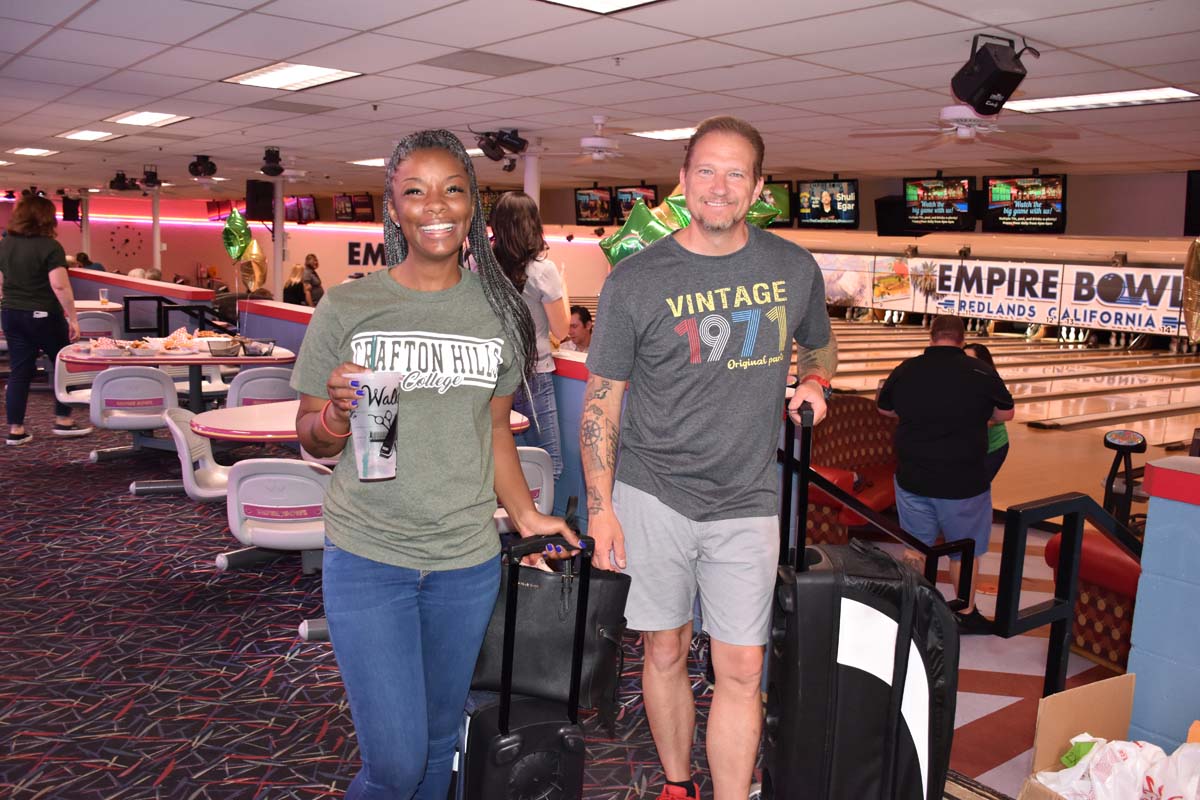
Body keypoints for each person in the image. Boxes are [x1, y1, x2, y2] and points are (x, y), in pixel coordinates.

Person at [290, 129, 577, 800]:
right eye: (414, 191)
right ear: (393, 209)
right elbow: (312, 438)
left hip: (464, 562)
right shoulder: (349, 306)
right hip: (371, 554)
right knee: (393, 763)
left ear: (473, 206)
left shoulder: (500, 314)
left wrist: (530, 514)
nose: (435, 206)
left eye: (452, 189)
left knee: (439, 742)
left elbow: (495, 428)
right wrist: (335, 416)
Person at [582, 115, 836, 800]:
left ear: (757, 187)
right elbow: (602, 403)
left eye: (735, 174)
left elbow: (817, 344)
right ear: (683, 181)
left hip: (747, 496)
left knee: (744, 668)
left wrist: (815, 380)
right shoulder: (635, 281)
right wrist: (602, 511)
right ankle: (676, 784)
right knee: (662, 649)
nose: (719, 186)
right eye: (705, 171)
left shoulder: (791, 267)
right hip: (651, 491)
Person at [877, 315, 1014, 634]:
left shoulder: (907, 368)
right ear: (963, 339)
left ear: (931, 335)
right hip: (963, 482)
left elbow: (884, 409)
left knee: (915, 546)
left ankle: (913, 610)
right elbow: (1006, 413)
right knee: (963, 548)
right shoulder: (980, 370)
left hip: (913, 477)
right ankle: (964, 612)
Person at [0, 195, 93, 444]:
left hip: (11, 313)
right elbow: (59, 286)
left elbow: (1, 282)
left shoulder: (5, 244)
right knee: (64, 366)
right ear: (46, 217)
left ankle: (15, 430)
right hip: (43, 315)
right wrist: (72, 318)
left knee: (19, 371)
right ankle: (63, 420)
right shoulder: (50, 247)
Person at [490, 190, 569, 479]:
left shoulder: (480, 266)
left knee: (502, 458)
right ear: (532, 225)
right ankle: (537, 520)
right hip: (533, 374)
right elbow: (561, 330)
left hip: (493, 374)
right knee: (548, 463)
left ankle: (512, 517)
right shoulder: (542, 270)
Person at [963, 343, 1009, 481]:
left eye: (970, 359)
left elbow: (992, 419)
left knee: (974, 488)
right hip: (969, 448)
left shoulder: (990, 383)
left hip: (993, 447)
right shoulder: (958, 382)